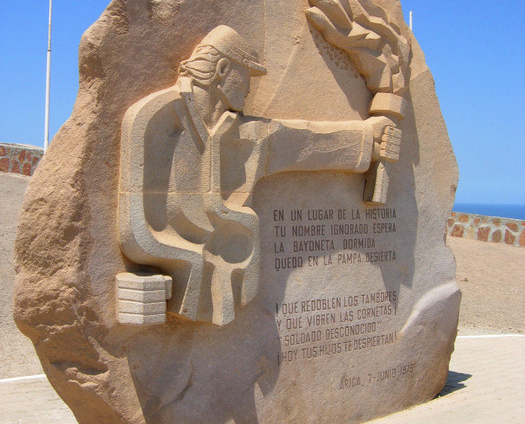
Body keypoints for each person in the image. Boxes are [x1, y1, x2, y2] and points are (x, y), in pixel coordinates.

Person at [119, 26, 400, 326]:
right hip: (181, 262)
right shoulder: (157, 116)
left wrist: (368, 141)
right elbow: (136, 224)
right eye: (246, 77)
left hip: (230, 261)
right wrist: (187, 261)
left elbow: (301, 142)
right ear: (222, 69)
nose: (249, 89)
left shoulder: (242, 133)